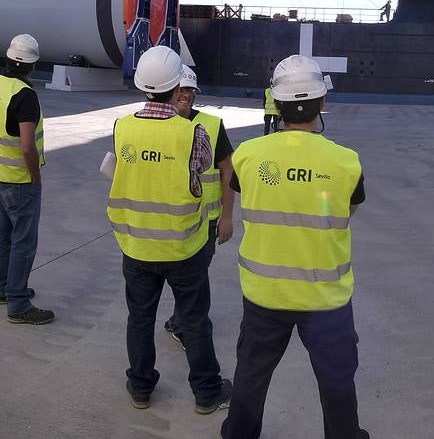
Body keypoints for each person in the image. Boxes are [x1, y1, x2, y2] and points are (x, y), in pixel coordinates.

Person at [222, 55, 367, 439]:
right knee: (336, 383)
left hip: (264, 294)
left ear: (276, 104)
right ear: (322, 103)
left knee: (251, 376)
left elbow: (240, 192)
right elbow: (347, 210)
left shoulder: (248, 156)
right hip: (325, 300)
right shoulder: (346, 162)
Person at [109, 46, 231, 416]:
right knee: (194, 321)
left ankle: (141, 388)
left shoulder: (122, 126)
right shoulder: (193, 132)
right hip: (183, 246)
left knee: (140, 319)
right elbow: (200, 174)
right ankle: (207, 393)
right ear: (177, 85)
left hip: (135, 244)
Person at [0, 34, 55, 326]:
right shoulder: (25, 95)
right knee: (23, 240)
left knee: (3, 234)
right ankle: (19, 303)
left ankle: (4, 288)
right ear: (33, 65)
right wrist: (35, 177)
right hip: (18, 179)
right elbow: (26, 145)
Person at [164, 65, 235, 348]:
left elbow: (228, 172)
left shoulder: (211, 125)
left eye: (190, 90)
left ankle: (182, 325)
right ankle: (180, 320)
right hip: (169, 216)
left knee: (195, 277)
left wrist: (228, 217)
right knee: (180, 277)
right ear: (170, 91)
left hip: (205, 220)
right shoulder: (158, 124)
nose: (185, 95)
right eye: (180, 90)